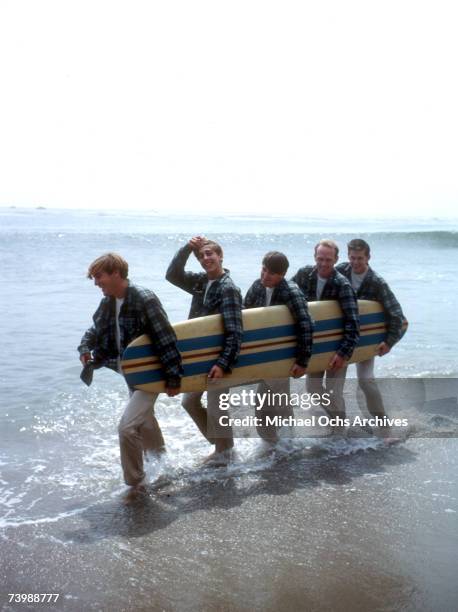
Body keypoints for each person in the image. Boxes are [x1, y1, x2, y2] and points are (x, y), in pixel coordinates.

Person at [78, 253, 182, 495]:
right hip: (130, 373)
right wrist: (85, 348)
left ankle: (136, 482)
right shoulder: (108, 301)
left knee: (127, 428)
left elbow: (166, 339)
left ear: (116, 273)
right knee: (144, 421)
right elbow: (95, 329)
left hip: (150, 374)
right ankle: (163, 464)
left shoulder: (144, 299)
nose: (96, 283)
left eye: (99, 277)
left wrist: (174, 378)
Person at [166, 236, 243, 464]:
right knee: (189, 402)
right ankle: (222, 446)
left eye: (210, 254)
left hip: (220, 358)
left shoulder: (228, 288)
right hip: (201, 357)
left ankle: (225, 453)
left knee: (217, 406)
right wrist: (187, 249)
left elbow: (235, 331)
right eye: (201, 255)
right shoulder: (201, 282)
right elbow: (172, 275)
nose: (205, 258)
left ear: (220, 256)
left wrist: (223, 363)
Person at [336, 238, 405, 434]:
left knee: (366, 381)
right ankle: (340, 429)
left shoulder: (377, 283)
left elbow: (397, 315)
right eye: (352, 258)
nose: (355, 262)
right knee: (336, 386)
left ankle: (385, 427)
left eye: (359, 258)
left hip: (366, 340)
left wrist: (389, 342)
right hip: (343, 340)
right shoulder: (341, 272)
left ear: (368, 258)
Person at [244, 251, 313, 443]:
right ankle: (277, 445)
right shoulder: (257, 286)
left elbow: (306, 325)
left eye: (271, 273)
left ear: (281, 275)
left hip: (284, 357)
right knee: (267, 404)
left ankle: (286, 445)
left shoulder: (291, 292)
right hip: (264, 355)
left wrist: (302, 361)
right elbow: (245, 314)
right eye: (264, 269)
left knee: (273, 403)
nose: (265, 275)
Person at [291, 239, 359, 429]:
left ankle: (339, 430)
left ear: (336, 259)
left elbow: (353, 324)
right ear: (315, 257)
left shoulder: (342, 285)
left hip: (337, 347)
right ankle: (339, 423)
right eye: (320, 258)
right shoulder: (304, 275)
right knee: (313, 389)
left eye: (328, 260)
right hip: (314, 346)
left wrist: (342, 353)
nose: (323, 263)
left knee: (333, 392)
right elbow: (286, 293)